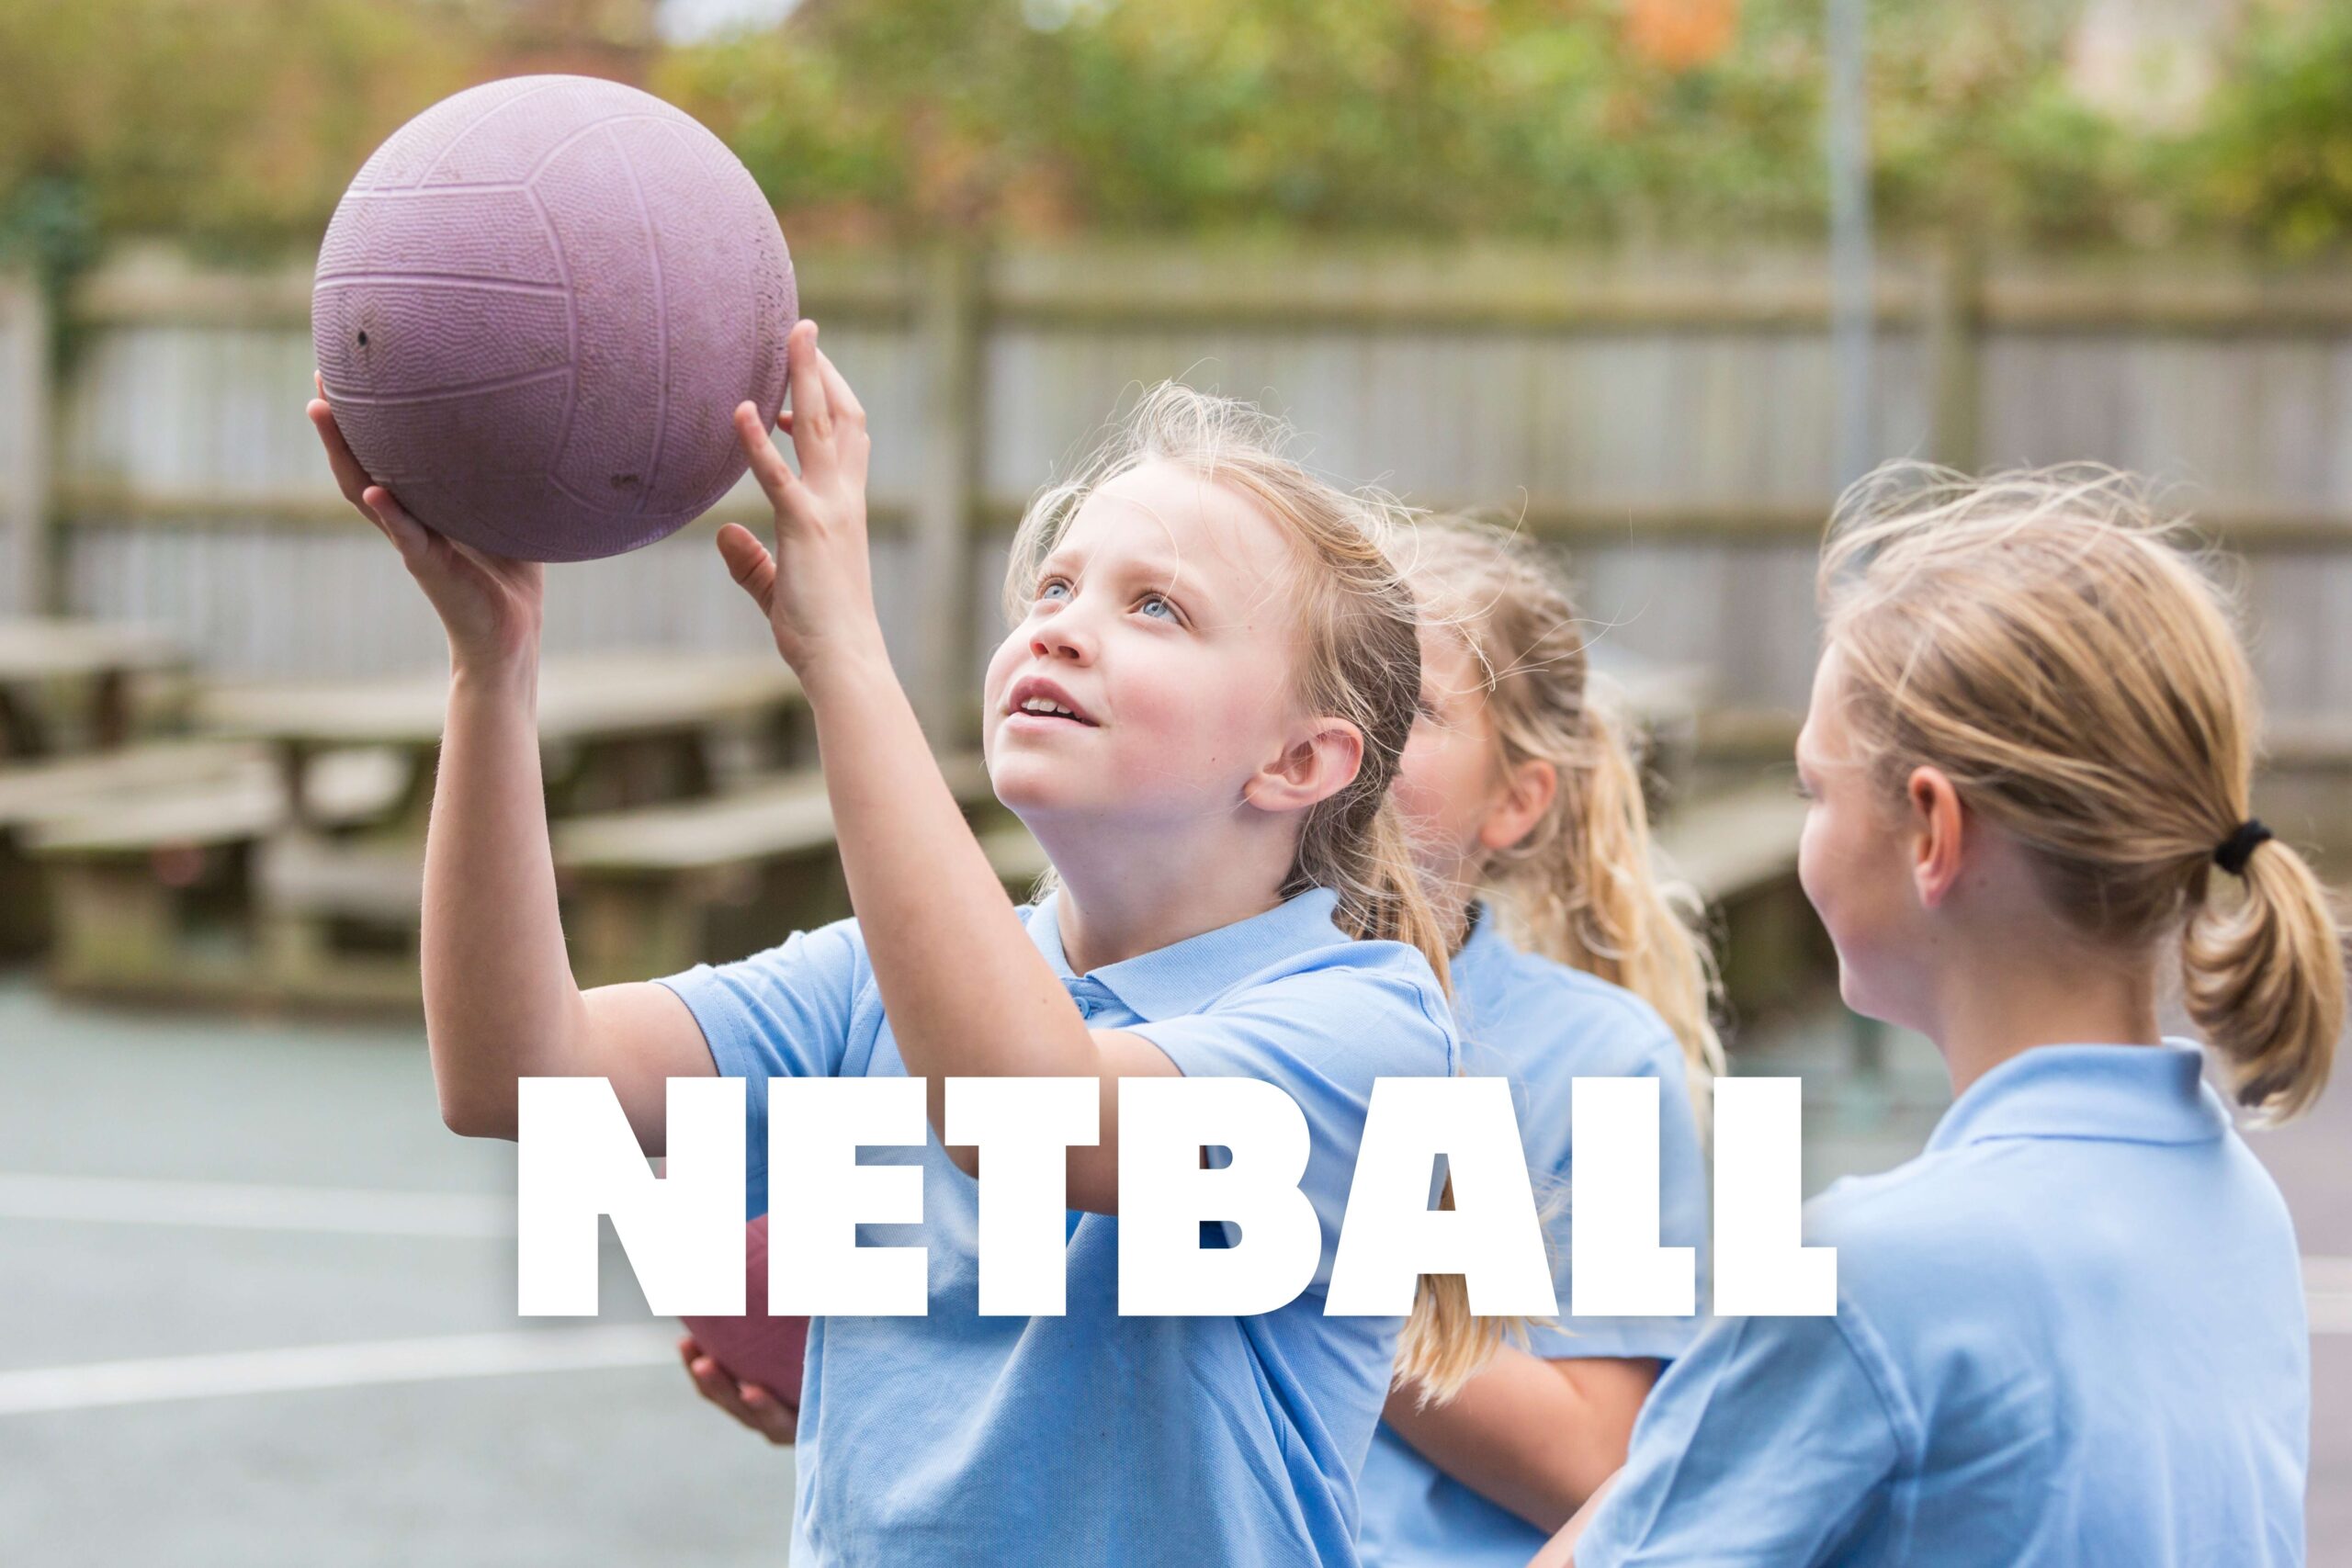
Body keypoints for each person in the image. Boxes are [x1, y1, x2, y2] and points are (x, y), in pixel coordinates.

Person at [308, 324, 1496, 1566]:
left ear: (1301, 759)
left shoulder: (1363, 1028)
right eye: (1053, 586)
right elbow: (518, 1076)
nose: (1064, 625)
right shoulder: (876, 986)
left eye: (1157, 606)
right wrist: (490, 672)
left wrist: (845, 656)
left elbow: (1027, 1113)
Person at [1539, 465, 2339, 1567]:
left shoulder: (1870, 1275)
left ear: (1930, 831)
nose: (1810, 824)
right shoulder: (2236, 1209)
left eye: (1815, 791)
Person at [1357, 518, 1722, 1566]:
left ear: (1514, 801)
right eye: (1324, 682)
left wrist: (1267, 1240)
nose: (1353, 729)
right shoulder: (1156, 1010)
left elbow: (1597, 1457)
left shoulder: (1597, 1058)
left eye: (1409, 705)